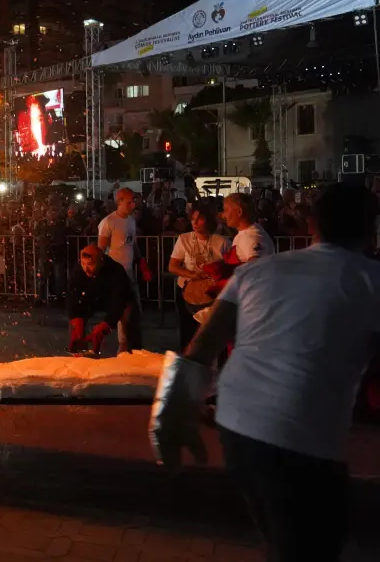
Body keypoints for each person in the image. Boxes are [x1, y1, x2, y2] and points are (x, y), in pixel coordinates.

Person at [156, 184, 380, 561]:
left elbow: (200, 346)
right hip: (300, 438)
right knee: (310, 540)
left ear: (311, 225)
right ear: (371, 228)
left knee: (284, 528)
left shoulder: (259, 271)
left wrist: (170, 412)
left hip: (237, 425)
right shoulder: (371, 280)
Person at [168, 207, 231, 351]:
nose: (195, 222)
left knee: (212, 333)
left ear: (208, 221)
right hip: (187, 292)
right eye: (193, 219)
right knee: (188, 333)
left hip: (213, 294)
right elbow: (172, 266)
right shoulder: (184, 239)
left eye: (199, 219)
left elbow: (230, 268)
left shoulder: (221, 242)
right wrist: (192, 275)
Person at [65, 245, 139, 355]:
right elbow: (72, 297)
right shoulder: (78, 271)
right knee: (75, 322)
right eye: (83, 264)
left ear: (101, 261)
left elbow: (119, 301)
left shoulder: (116, 271)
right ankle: (79, 349)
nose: (86, 268)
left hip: (113, 300)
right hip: (92, 300)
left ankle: (126, 349)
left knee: (129, 312)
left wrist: (107, 323)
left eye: (90, 264)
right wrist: (76, 320)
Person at [97, 188, 143, 351]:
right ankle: (123, 346)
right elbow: (100, 250)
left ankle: (131, 345)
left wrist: (142, 262)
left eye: (134, 201)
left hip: (128, 271)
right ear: (120, 201)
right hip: (116, 274)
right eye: (129, 201)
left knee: (134, 310)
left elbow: (133, 245)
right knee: (123, 311)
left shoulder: (131, 221)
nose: (133, 204)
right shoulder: (109, 222)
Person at [223, 192, 275, 262]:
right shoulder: (246, 233)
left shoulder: (250, 237)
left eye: (226, 210)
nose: (224, 215)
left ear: (239, 212)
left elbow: (255, 268)